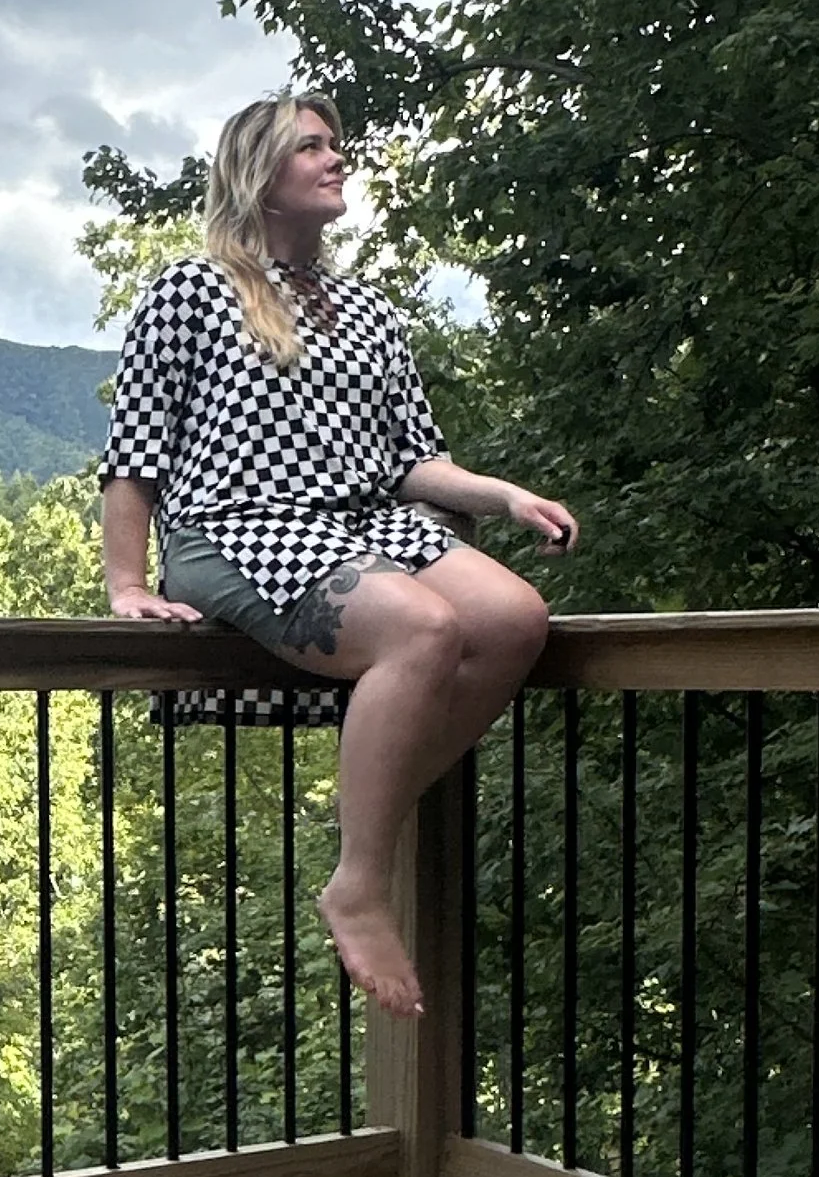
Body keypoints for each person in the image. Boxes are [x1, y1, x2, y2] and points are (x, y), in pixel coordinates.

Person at [100, 91, 576, 1018]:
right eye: (311, 146)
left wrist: (504, 496)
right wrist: (126, 581)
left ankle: (371, 802)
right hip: (236, 527)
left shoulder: (368, 311)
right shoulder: (190, 290)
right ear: (259, 173)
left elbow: (412, 461)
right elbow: (135, 450)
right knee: (422, 630)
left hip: (366, 524)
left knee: (516, 618)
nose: (336, 158)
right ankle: (359, 880)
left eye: (335, 144)